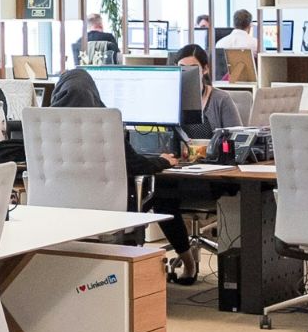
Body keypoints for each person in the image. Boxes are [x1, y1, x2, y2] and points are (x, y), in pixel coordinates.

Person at [48, 70, 203, 280]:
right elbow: (135, 164)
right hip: (110, 209)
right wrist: (163, 161)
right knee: (164, 192)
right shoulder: (104, 125)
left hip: (58, 210)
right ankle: (188, 263)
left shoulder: (45, 126)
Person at [176, 44, 239, 136]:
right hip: (178, 150)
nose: (187, 73)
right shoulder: (171, 97)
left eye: (193, 68)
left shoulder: (221, 99)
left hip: (211, 150)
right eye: (182, 67)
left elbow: (236, 138)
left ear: (205, 69)